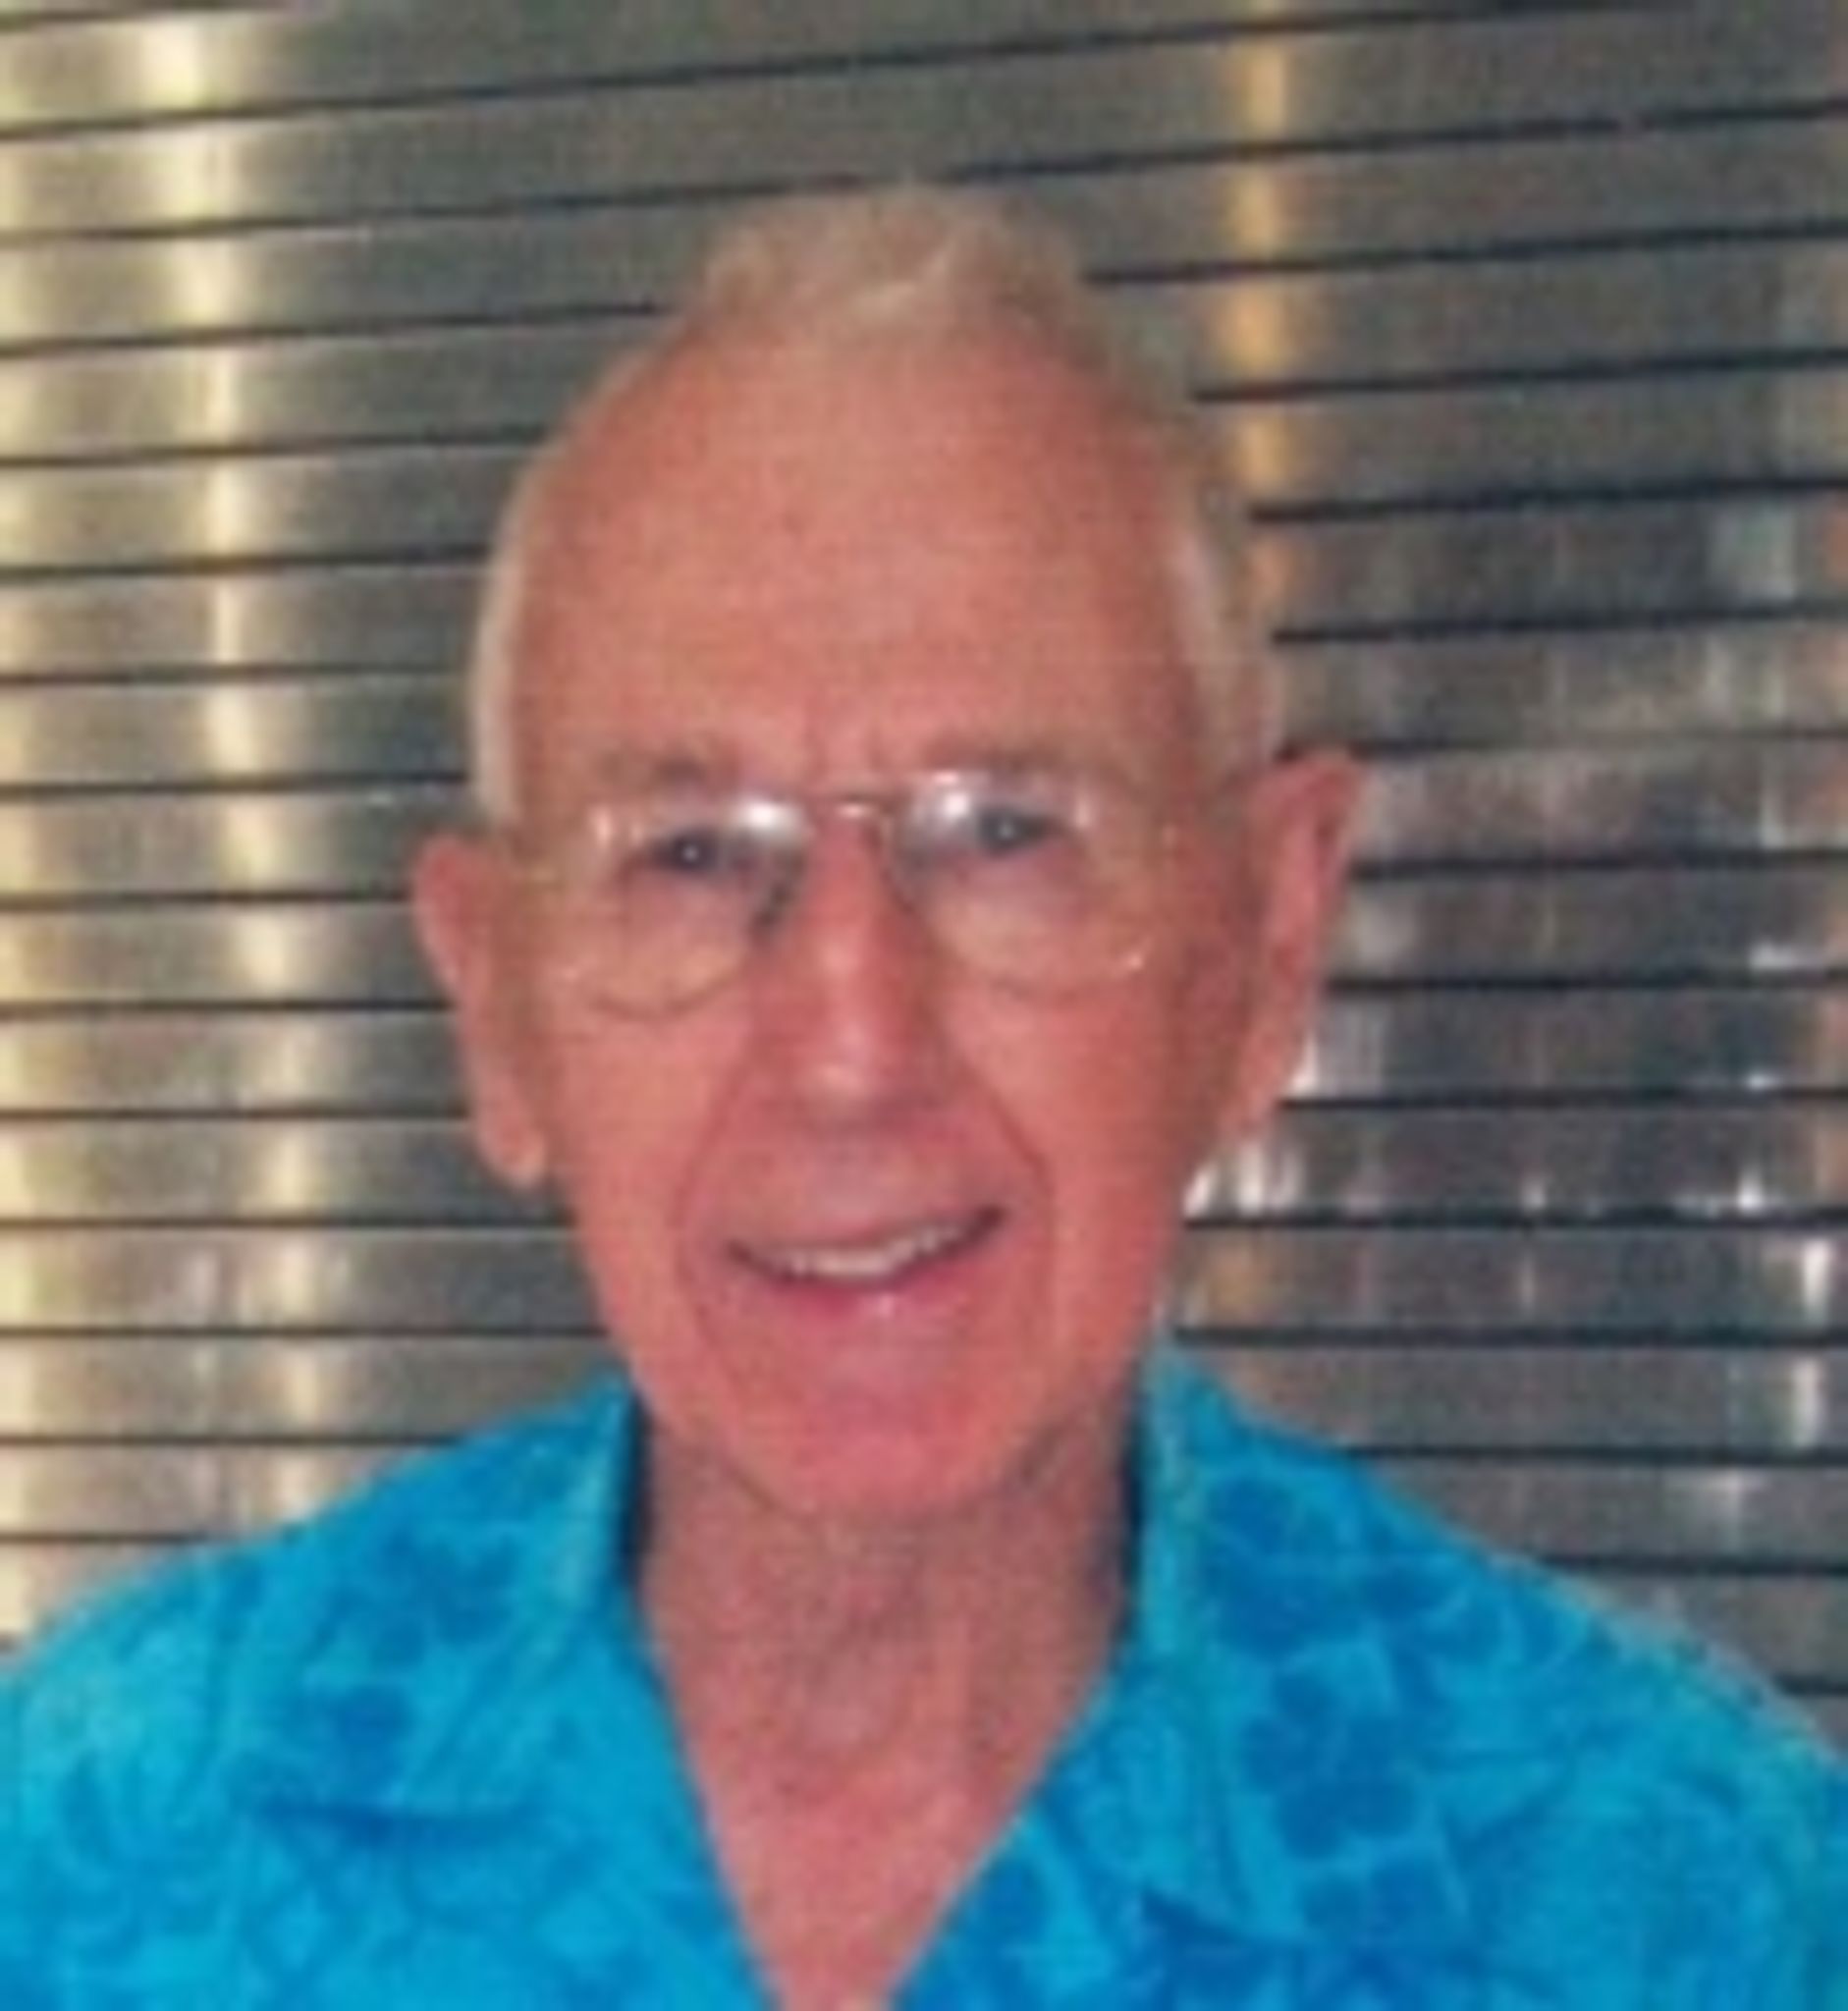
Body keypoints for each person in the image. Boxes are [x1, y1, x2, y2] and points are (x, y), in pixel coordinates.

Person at [1, 187, 1841, 2010]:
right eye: (690, 853)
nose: (850, 1045)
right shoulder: (94, 1851)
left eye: (1007, 833)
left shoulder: (1682, 1909)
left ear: (1265, 948)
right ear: (496, 1002)